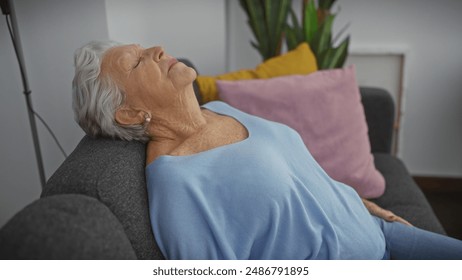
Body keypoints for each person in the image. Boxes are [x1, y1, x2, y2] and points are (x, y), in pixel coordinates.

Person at [72, 40, 462, 260]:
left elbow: (299, 173)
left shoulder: (218, 110)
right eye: (138, 61)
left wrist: (366, 205)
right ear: (130, 112)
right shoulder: (176, 185)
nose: (156, 49)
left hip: (383, 232)